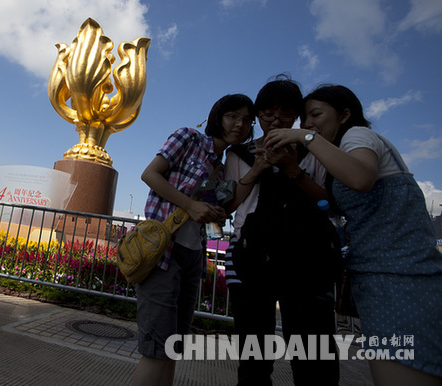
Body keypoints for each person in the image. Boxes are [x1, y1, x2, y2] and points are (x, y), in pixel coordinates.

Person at [265, 84, 442, 385]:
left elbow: (360, 178)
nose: (308, 124)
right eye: (304, 119)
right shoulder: (340, 155)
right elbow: (329, 203)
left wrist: (303, 137)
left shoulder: (358, 136)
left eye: (316, 115)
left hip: (400, 280)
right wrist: (294, 170)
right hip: (380, 279)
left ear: (345, 114)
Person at [224, 75, 340, 385]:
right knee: (253, 360)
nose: (275, 121)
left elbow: (329, 206)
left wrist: (292, 169)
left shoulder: (316, 150)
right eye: (267, 114)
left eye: (285, 114)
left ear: (297, 116)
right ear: (258, 115)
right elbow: (229, 205)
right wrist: (259, 167)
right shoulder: (239, 153)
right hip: (250, 259)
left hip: (307, 260)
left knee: (314, 360)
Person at [131, 94, 255, 385]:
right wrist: (190, 205)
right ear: (218, 116)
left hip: (192, 255)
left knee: (173, 347)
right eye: (233, 116)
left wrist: (213, 212)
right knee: (156, 350)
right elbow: (150, 174)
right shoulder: (189, 137)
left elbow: (213, 210)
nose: (240, 124)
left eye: (248, 120)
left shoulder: (222, 168)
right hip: (163, 251)